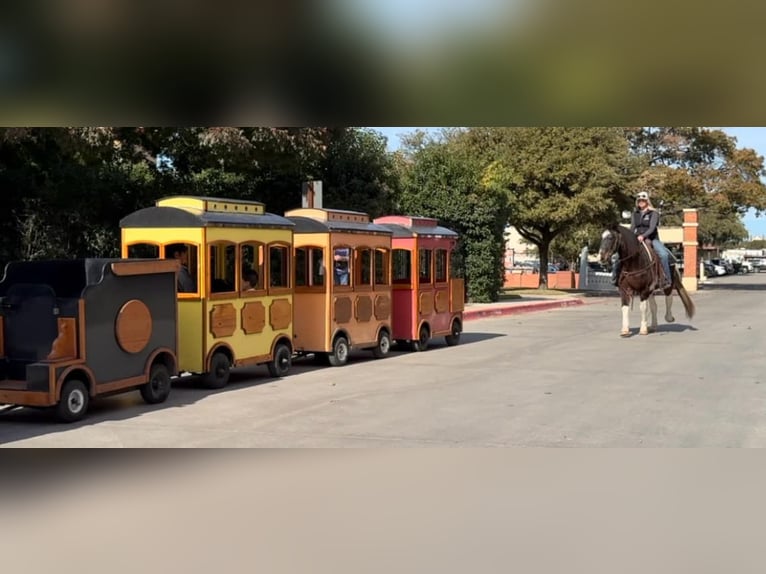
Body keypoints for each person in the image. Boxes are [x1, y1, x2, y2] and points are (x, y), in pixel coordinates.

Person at [612, 191, 672, 288]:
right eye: (639, 200)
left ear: (647, 201)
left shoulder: (654, 213)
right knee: (617, 256)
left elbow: (652, 228)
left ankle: (666, 279)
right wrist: (629, 237)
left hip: (651, 238)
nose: (641, 202)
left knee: (664, 254)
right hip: (637, 238)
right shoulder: (635, 214)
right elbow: (632, 228)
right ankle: (615, 278)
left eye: (643, 200)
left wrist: (643, 236)